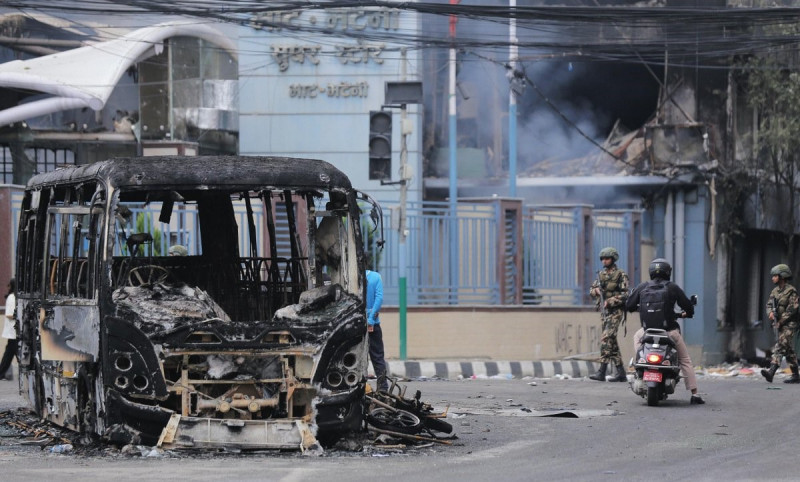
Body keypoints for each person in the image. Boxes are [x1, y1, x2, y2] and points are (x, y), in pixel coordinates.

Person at [626, 258, 705, 404]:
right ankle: (695, 394)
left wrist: (640, 307)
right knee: (685, 360)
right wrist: (688, 312)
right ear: (668, 272)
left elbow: (629, 305)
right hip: (669, 332)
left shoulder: (643, 287)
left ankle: (641, 362)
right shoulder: (672, 288)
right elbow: (688, 305)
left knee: (636, 337)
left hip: (647, 333)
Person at [588, 247, 629, 382]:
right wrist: (597, 292)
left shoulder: (620, 274)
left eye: (607, 258)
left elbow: (626, 294)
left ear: (613, 259)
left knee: (606, 338)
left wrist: (610, 301)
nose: (604, 261)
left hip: (616, 311)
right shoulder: (600, 275)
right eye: (603, 259)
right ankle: (621, 372)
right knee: (611, 340)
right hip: (604, 313)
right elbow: (591, 290)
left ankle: (602, 371)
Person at [761, 264, 800, 383]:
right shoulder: (775, 291)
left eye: (775, 276)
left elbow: (792, 309)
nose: (772, 278)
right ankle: (795, 375)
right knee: (788, 349)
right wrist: (770, 314)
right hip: (779, 323)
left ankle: (771, 371)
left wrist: (781, 321)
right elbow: (768, 305)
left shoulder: (791, 291)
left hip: (790, 324)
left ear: (782, 276)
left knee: (780, 345)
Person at [366, 267, 388, 391]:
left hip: (353, 321)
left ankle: (360, 386)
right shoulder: (376, 277)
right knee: (378, 356)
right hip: (373, 324)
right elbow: (379, 299)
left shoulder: (348, 277)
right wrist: (371, 320)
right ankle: (383, 388)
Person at [0, 278, 17, 381]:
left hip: (14, 332)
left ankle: (2, 373)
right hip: (13, 331)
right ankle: (1, 373)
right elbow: (9, 314)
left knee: (10, 353)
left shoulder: (13, 297)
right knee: (10, 353)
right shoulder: (12, 297)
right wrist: (20, 316)